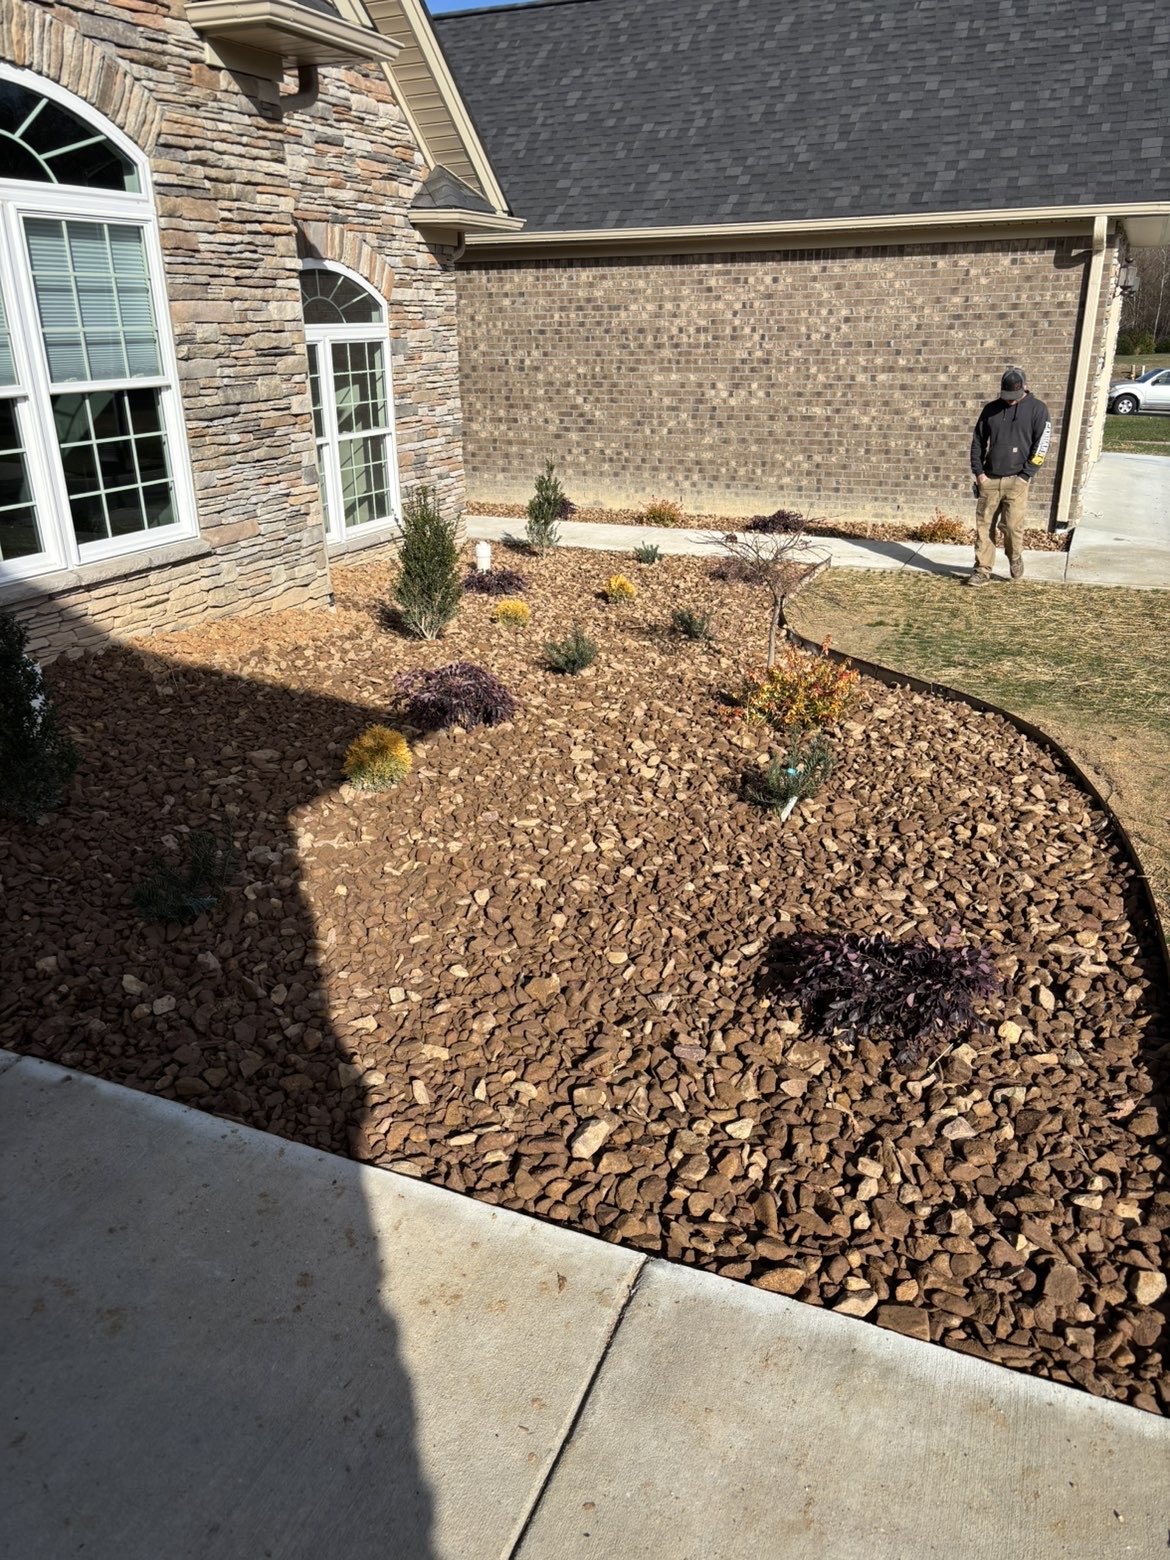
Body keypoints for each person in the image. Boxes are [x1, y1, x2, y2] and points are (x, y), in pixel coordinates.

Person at [966, 367, 1052, 586]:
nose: (1010, 401)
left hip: (1017, 479)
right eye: (1006, 397)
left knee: (1012, 526)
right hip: (989, 479)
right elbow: (977, 441)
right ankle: (982, 570)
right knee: (984, 527)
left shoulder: (1037, 410)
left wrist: (1026, 475)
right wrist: (979, 473)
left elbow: (1041, 445)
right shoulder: (990, 410)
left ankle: (1014, 557)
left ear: (1023, 388)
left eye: (1014, 397)